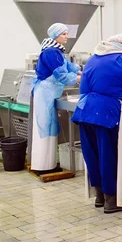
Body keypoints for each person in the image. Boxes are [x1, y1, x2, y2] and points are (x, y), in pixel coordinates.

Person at [72, 34, 122, 213]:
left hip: (86, 111)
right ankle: (112, 201)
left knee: (94, 155)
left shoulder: (93, 59)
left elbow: (84, 89)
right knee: (111, 156)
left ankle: (100, 196)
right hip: (110, 113)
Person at [31, 23, 81, 172]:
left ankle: (49, 163)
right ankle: (43, 166)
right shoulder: (51, 52)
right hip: (46, 92)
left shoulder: (57, 51)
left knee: (50, 128)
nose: (67, 37)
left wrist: (83, 72)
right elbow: (62, 75)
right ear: (55, 36)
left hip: (51, 93)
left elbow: (69, 67)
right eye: (64, 34)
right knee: (45, 128)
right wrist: (80, 79)